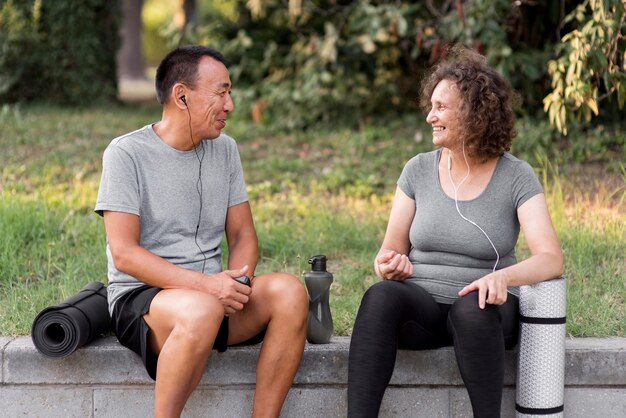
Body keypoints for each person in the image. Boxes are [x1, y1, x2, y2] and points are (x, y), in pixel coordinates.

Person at [347, 45, 564, 418]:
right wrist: (389, 265)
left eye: (441, 107)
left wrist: (503, 278)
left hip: (487, 312)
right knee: (380, 296)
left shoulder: (515, 175)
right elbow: (387, 253)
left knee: (471, 306)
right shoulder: (417, 170)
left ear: (474, 110)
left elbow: (551, 258)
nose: (430, 116)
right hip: (424, 308)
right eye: (430, 106)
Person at [95, 45, 308, 418]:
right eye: (221, 92)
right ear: (182, 95)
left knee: (289, 292)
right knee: (201, 309)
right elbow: (125, 253)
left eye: (229, 93)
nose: (230, 105)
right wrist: (208, 288)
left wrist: (237, 284)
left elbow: (242, 235)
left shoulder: (225, 150)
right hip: (143, 301)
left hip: (214, 296)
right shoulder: (126, 154)